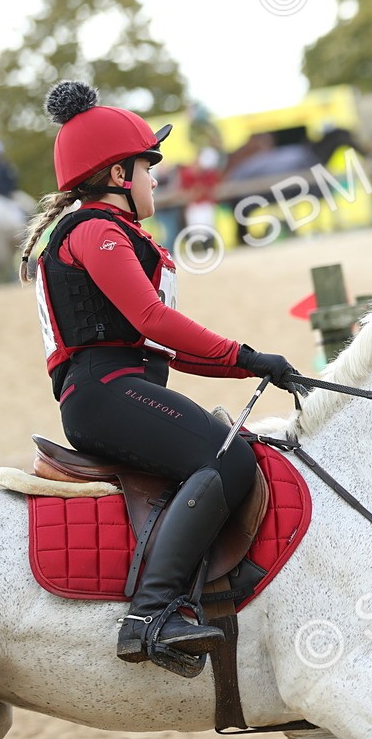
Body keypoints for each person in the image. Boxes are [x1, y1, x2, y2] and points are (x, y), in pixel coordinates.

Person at [20, 80, 305, 673]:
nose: (157, 177)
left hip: (124, 387)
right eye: (149, 166)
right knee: (228, 459)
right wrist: (247, 353)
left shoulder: (111, 231)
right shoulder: (96, 231)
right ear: (120, 175)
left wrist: (257, 366)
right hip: (103, 393)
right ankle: (151, 614)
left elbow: (167, 350)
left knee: (223, 451)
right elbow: (152, 317)